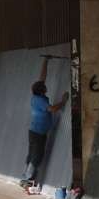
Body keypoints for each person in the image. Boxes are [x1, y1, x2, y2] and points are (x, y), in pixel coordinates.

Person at [20, 58, 69, 188]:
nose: (46, 86)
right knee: (36, 156)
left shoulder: (36, 95)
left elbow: (42, 77)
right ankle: (27, 179)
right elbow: (52, 109)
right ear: (42, 91)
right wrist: (63, 101)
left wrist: (46, 61)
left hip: (34, 131)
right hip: (38, 133)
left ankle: (26, 177)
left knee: (32, 155)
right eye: (44, 87)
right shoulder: (40, 101)